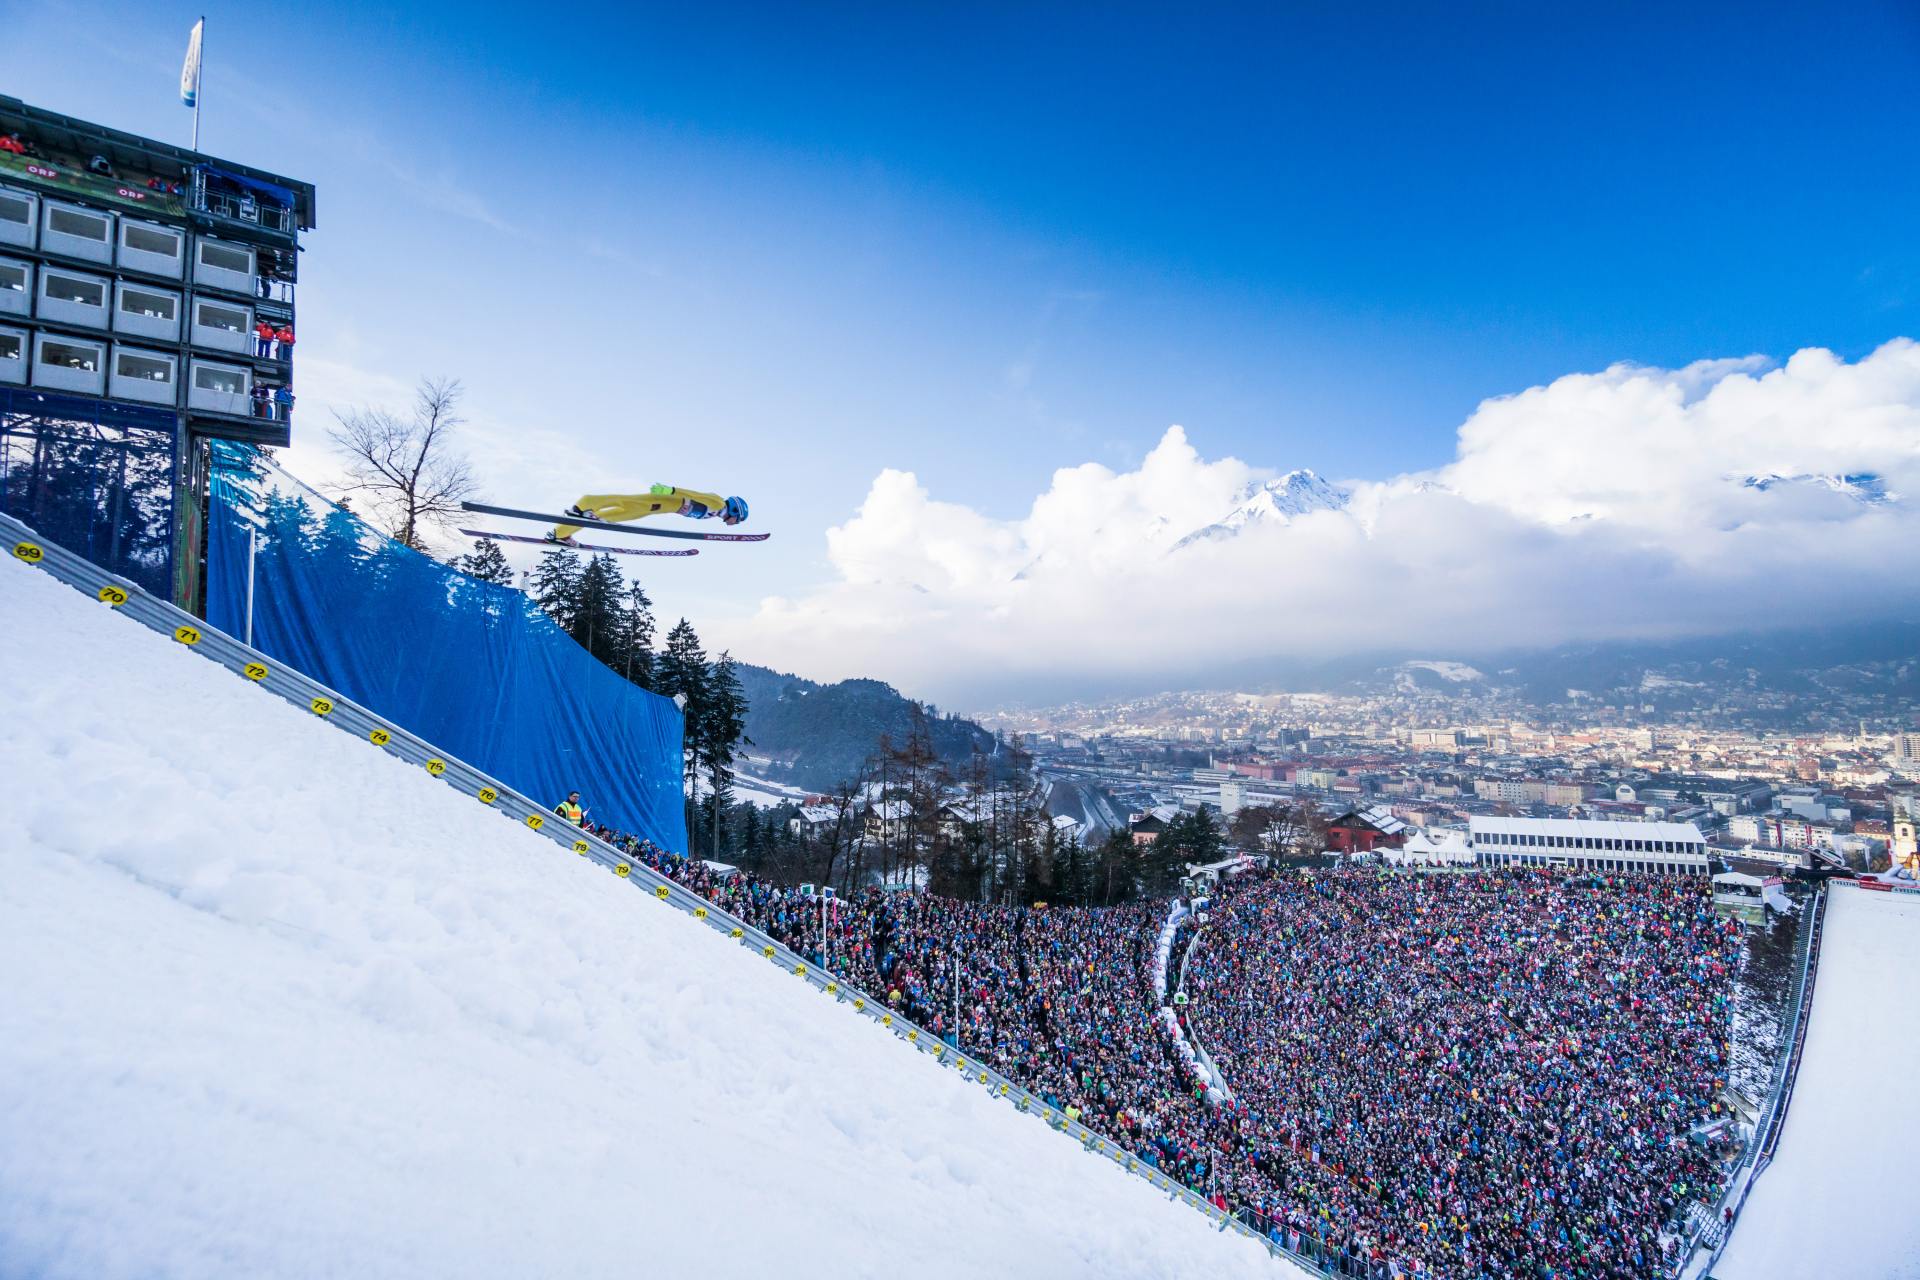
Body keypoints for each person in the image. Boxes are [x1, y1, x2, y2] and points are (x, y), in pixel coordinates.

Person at [550, 485, 748, 543]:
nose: (733, 524)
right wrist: (670, 490)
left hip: (661, 508)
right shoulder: (718, 502)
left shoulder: (714, 513)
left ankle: (560, 534)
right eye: (737, 520)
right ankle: (587, 502)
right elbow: (692, 494)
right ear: (734, 511)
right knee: (626, 502)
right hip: (662, 500)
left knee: (614, 517)